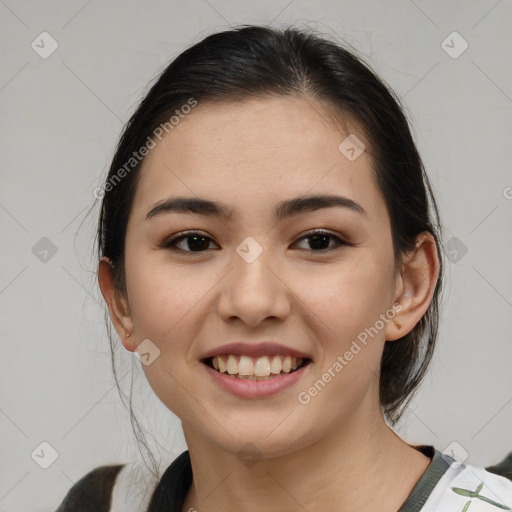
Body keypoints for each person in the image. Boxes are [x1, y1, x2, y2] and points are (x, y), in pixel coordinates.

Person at [54, 24, 512, 512]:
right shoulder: (105, 503)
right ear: (120, 300)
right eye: (193, 242)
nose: (252, 301)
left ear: (409, 285)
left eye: (318, 241)